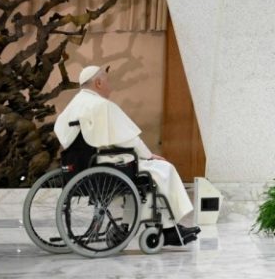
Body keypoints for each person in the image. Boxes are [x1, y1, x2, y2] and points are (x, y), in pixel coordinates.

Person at [54, 65, 200, 246]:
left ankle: (149, 226)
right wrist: (148, 155)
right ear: (98, 83)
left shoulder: (74, 105)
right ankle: (168, 229)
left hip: (85, 165)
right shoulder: (101, 105)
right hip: (107, 163)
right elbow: (129, 140)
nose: (110, 86)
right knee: (162, 169)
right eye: (107, 81)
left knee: (146, 176)